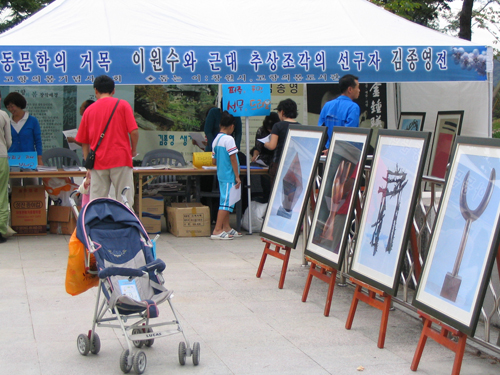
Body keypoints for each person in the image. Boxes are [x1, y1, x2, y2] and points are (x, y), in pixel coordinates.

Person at [75, 75, 139, 206]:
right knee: (124, 199)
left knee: (97, 202)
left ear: (96, 91)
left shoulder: (88, 111)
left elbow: (84, 142)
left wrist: (89, 165)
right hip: (121, 158)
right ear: (113, 90)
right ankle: (124, 225)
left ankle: (98, 226)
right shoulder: (123, 105)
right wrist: (133, 150)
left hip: (98, 162)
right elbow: (134, 131)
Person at [210, 111, 242, 240]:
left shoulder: (216, 140)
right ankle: (217, 230)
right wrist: (237, 176)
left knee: (227, 200)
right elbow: (233, 159)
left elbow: (214, 160)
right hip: (229, 175)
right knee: (226, 203)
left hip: (221, 174)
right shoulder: (229, 139)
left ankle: (226, 227)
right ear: (232, 126)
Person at [4, 91, 43, 186]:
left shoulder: (32, 121)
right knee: (15, 188)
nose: (10, 109)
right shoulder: (7, 121)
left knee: (32, 186)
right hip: (12, 159)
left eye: (12, 106)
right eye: (8, 107)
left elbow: (38, 141)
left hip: (29, 160)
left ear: (19, 104)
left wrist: (39, 159)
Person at [318, 74, 361, 150]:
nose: (359, 90)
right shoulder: (353, 107)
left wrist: (329, 150)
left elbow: (320, 131)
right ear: (350, 89)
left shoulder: (327, 105)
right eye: (358, 87)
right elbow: (350, 134)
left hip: (327, 151)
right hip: (344, 153)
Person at [264, 99, 300, 188]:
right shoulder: (300, 126)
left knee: (277, 191)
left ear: (282, 112)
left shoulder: (278, 126)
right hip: (294, 165)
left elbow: (272, 146)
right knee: (291, 192)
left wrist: (265, 144)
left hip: (279, 163)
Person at [250, 112, 280, 202]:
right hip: (263, 160)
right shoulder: (261, 131)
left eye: (271, 129)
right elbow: (257, 148)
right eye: (268, 129)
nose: (270, 130)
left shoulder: (280, 130)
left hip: (276, 159)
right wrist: (255, 155)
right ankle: (261, 196)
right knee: (259, 174)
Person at [0, 92, 12, 243]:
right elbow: (8, 141)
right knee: (2, 194)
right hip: (1, 156)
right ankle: (1, 229)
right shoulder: (3, 115)